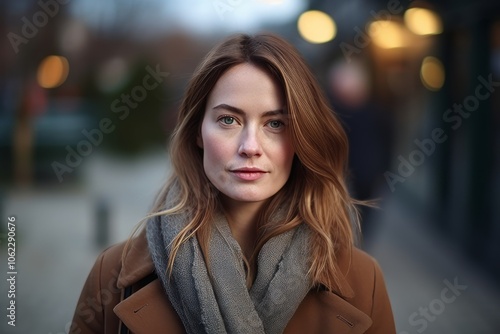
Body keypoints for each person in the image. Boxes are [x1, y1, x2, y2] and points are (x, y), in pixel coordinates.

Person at [71, 33, 396, 334]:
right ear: (197, 132)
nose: (250, 146)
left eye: (275, 123)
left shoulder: (363, 281)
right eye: (229, 120)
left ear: (301, 137)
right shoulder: (112, 276)